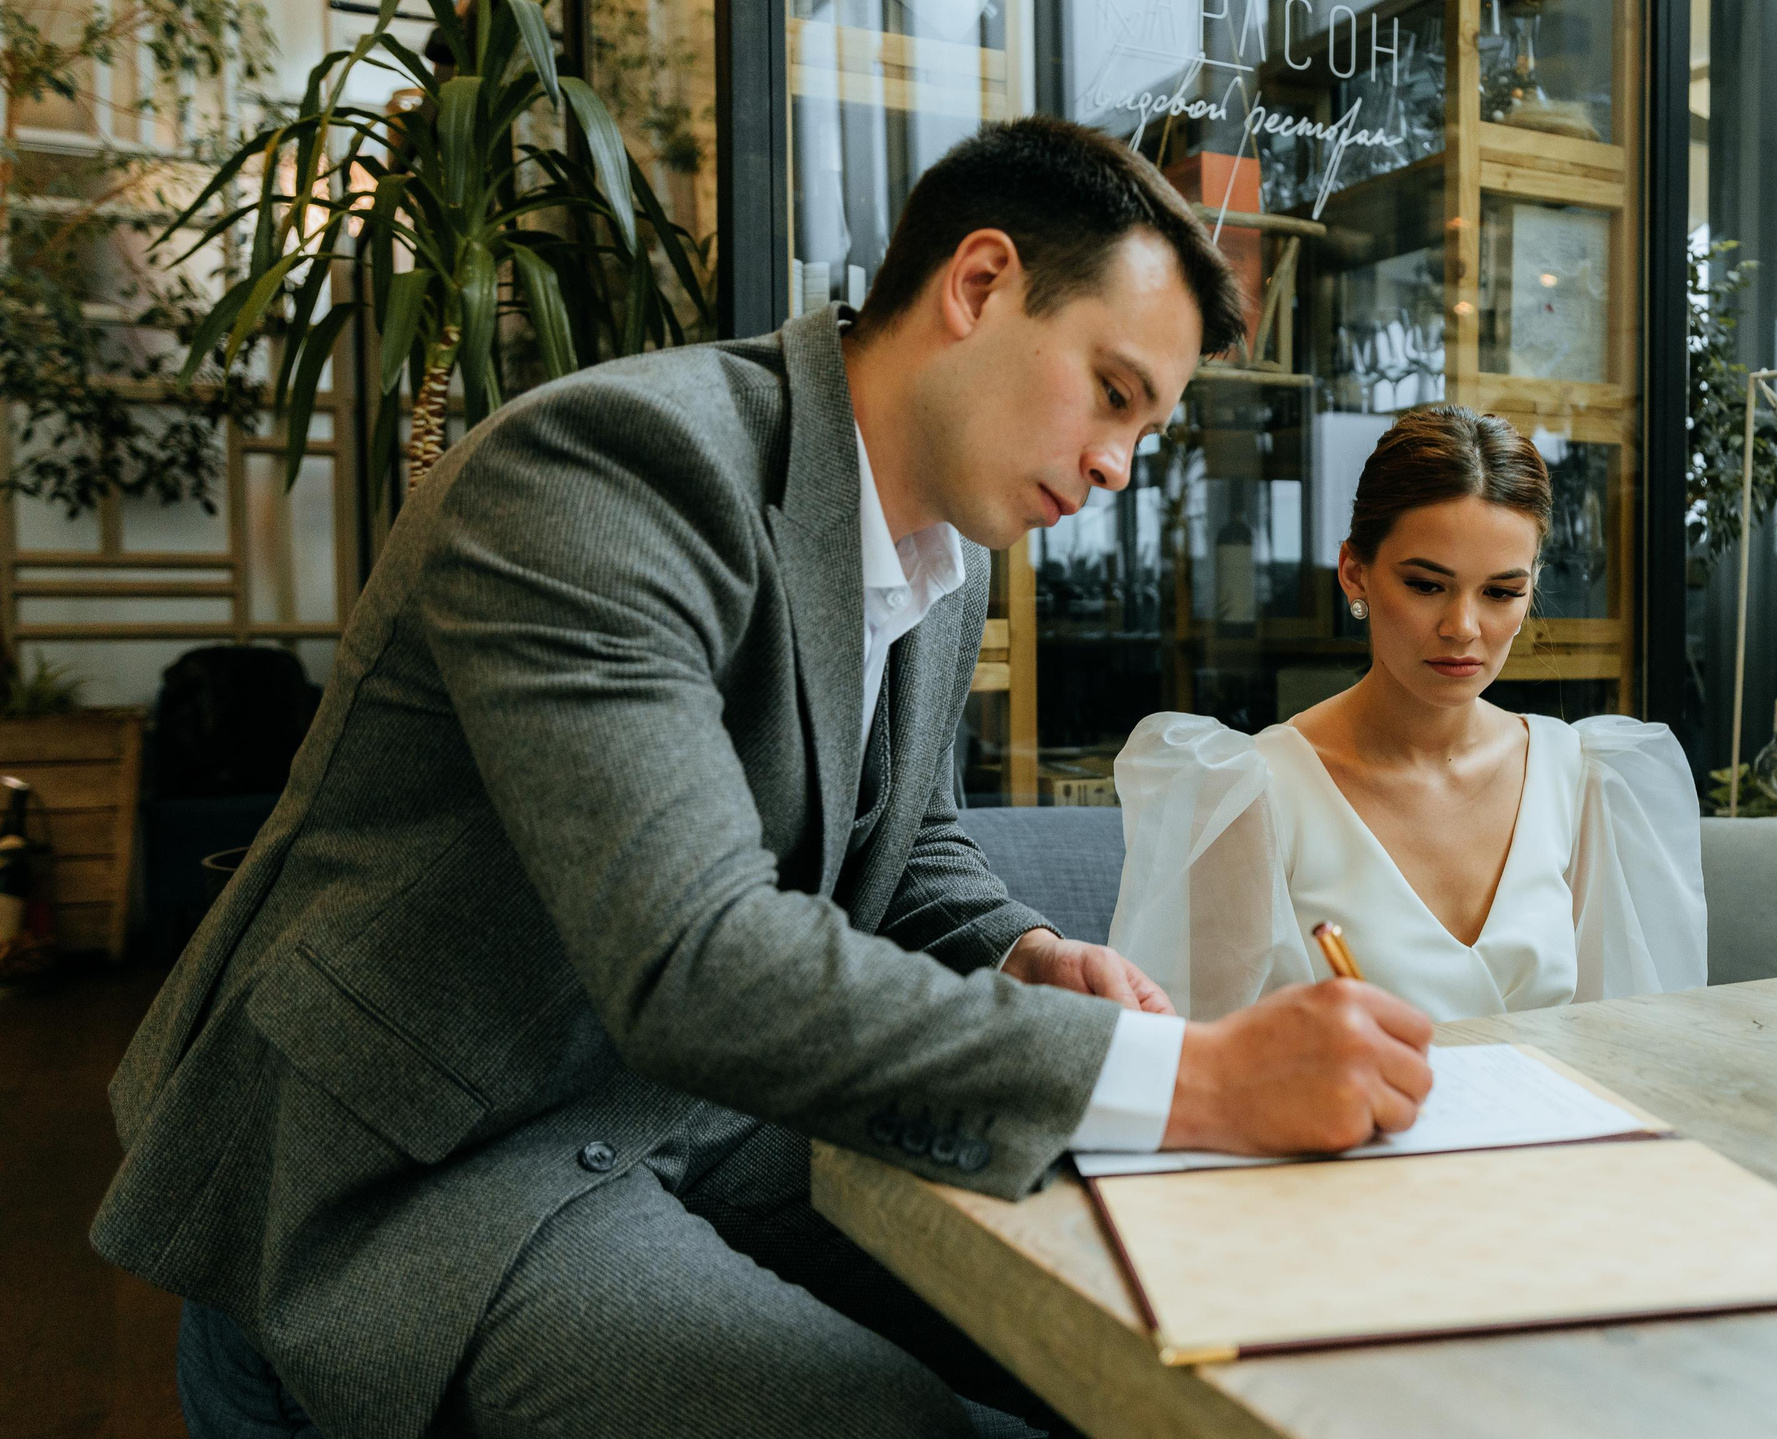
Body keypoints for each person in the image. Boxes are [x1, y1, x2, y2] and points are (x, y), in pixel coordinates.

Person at [91, 116, 1434, 1439]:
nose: (1116, 464)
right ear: (979, 285)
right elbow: (696, 959)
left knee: (1153, 1292)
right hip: (426, 1158)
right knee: (882, 1417)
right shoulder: (607, 472)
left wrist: (1018, 945)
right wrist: (1194, 1073)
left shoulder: (942, 556)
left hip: (699, 1116)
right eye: (1114, 391)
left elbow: (901, 842)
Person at [1110, 405, 1711, 1021]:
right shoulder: (1249, 792)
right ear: (1355, 573)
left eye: (1501, 593)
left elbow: (1626, 1037)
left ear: (1532, 587)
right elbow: (1198, 1063)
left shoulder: (1582, 777)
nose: (1463, 628)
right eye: (1426, 585)